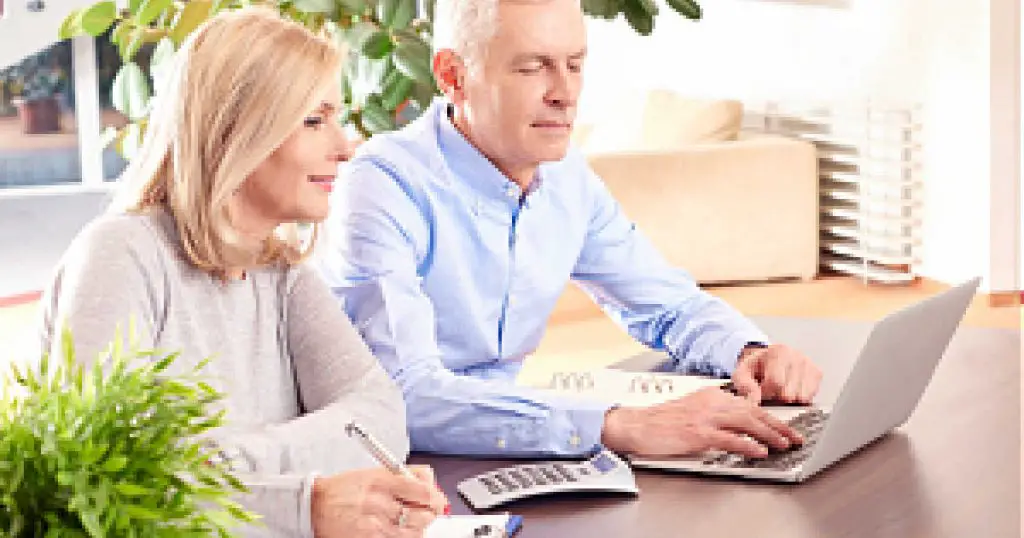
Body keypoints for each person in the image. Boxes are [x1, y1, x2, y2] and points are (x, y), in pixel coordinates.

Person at [315, 0, 823, 460]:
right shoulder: (384, 185)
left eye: (575, 65)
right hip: (390, 462)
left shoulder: (563, 176)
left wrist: (747, 352)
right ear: (452, 75)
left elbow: (668, 305)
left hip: (515, 441)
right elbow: (405, 395)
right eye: (533, 67)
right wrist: (613, 425)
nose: (565, 94)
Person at [37, 8, 446, 538]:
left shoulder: (281, 272)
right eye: (314, 121)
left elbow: (381, 416)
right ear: (240, 131)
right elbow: (96, 484)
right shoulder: (120, 255)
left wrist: (220, 462)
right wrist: (304, 503)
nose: (345, 146)